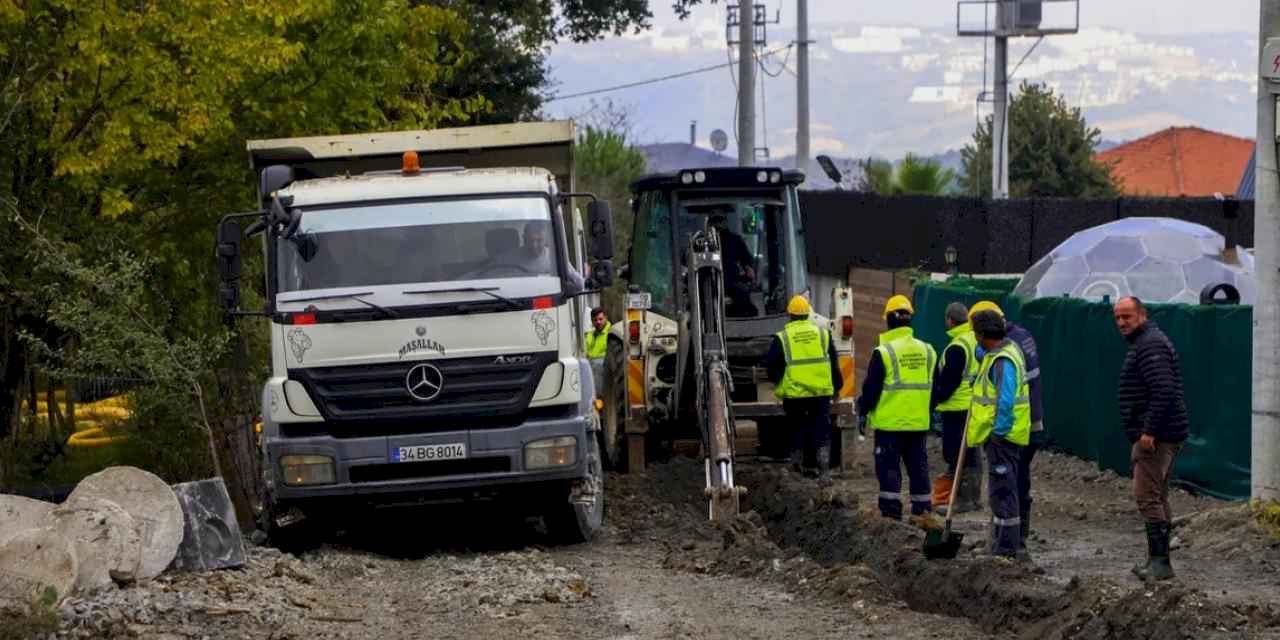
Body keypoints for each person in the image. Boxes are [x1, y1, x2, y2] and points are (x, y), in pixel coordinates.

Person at [1114, 296, 1188, 581]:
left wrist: (1148, 432)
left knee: (1147, 496)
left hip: (1158, 437)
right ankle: (1158, 560)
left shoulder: (1151, 345)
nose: (1121, 323)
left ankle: (1159, 563)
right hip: (1163, 432)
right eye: (1118, 318)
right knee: (1157, 495)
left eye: (1127, 317)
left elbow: (1164, 390)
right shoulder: (1146, 343)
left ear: (1142, 315)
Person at [857, 295, 936, 519]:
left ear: (889, 320)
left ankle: (891, 517)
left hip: (890, 426)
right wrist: (925, 411)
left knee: (889, 470)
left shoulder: (884, 352)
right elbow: (935, 388)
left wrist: (863, 410)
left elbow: (871, 389)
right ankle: (923, 514)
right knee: (918, 469)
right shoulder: (928, 350)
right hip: (918, 424)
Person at [968, 309, 1031, 559]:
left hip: (1003, 438)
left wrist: (998, 432)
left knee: (1003, 493)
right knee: (1000, 492)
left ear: (982, 334)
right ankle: (1001, 545)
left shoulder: (1003, 361)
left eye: (975, 334)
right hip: (1003, 438)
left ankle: (1006, 550)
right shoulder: (1006, 349)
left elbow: (1004, 402)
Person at [764, 295, 842, 484]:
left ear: (789, 315)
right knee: (821, 429)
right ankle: (824, 472)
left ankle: (796, 469)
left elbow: (772, 368)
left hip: (795, 394)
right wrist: (837, 387)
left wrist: (780, 383)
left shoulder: (782, 338)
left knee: (795, 428)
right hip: (820, 393)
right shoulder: (823, 334)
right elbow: (833, 362)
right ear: (808, 314)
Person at [929, 302, 982, 515]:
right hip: (973, 405)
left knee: (955, 453)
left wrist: (933, 402)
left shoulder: (957, 347)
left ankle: (961, 500)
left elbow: (949, 383)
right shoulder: (973, 340)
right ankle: (974, 498)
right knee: (971, 452)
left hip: (956, 408)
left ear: (950, 320)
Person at [709, 214, 758, 317]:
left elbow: (746, 258)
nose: (718, 224)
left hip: (731, 281)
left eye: (720, 220)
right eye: (714, 221)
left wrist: (748, 267)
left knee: (745, 299)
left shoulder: (734, 240)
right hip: (707, 282)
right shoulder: (702, 242)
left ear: (725, 222)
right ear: (710, 223)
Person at [585, 307, 611, 399]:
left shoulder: (611, 334)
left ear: (606, 318)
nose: (598, 322)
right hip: (592, 373)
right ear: (592, 322)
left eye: (600, 319)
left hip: (603, 374)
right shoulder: (590, 334)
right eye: (595, 320)